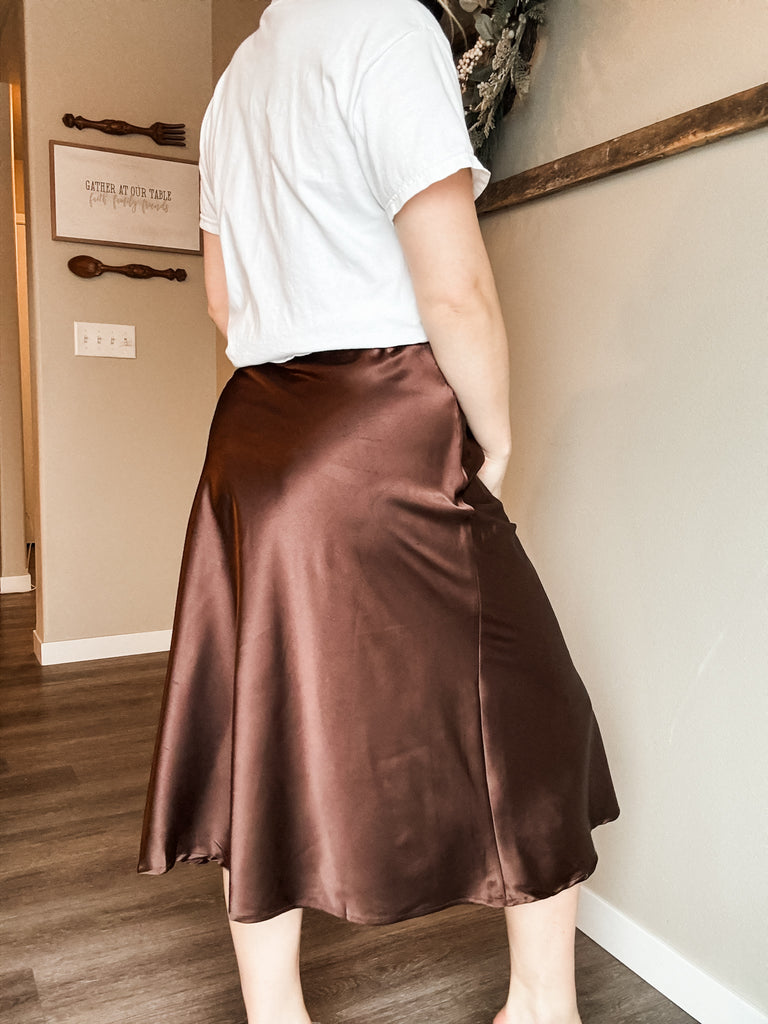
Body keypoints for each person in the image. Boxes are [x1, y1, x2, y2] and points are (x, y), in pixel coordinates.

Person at [138, 1, 620, 1022]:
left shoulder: (238, 80)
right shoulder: (387, 29)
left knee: (262, 730)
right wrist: (495, 437)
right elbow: (456, 289)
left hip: (252, 438)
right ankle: (541, 1008)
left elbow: (223, 301)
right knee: (536, 717)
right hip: (381, 417)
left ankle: (275, 1015)